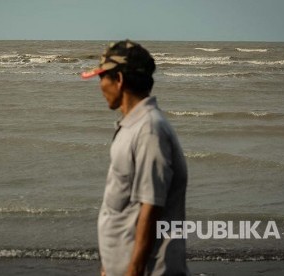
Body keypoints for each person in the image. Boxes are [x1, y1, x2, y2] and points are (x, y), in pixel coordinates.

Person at [82, 40, 190, 276]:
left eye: (102, 78)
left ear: (119, 80)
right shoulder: (134, 126)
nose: (100, 86)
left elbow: (150, 208)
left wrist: (133, 270)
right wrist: (108, 266)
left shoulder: (149, 130)